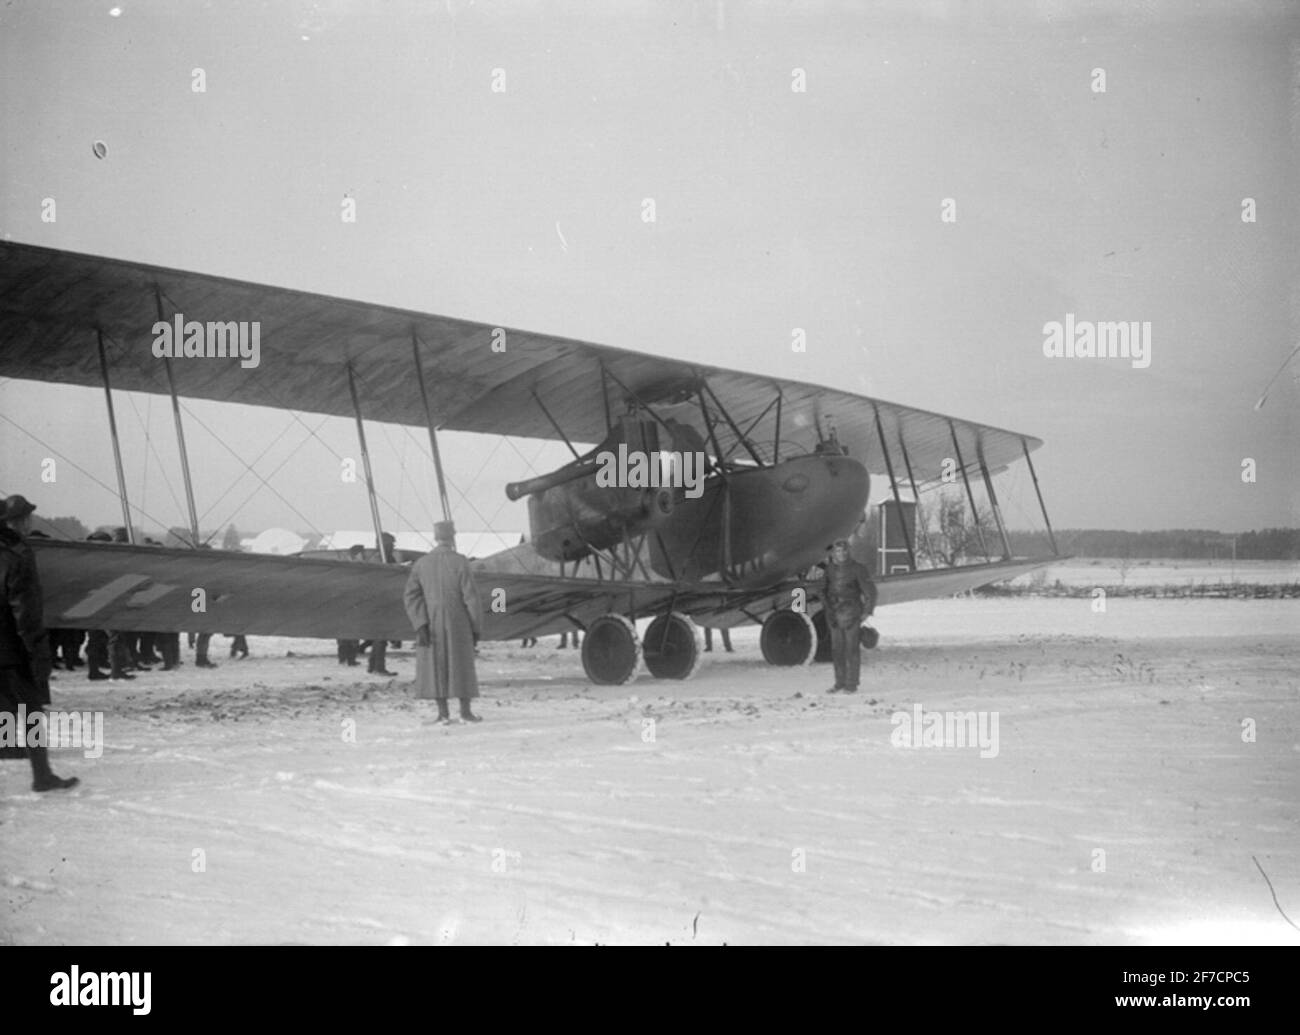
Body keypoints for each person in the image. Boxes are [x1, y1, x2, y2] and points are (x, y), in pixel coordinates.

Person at [0, 495, 78, 791]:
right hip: (12, 648)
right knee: (31, 710)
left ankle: (8, 748)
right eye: (25, 517)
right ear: (16, 522)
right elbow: (25, 610)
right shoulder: (17, 555)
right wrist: (38, 651)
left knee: (4, 705)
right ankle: (42, 775)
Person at [403, 521, 482, 724]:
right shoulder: (461, 561)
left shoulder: (421, 563)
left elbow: (411, 596)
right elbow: (471, 597)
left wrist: (420, 623)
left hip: (431, 620)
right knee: (462, 665)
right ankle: (465, 712)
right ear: (453, 537)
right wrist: (476, 627)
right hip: (458, 621)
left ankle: (442, 713)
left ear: (435, 537)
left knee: (434, 666)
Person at [820, 538, 876, 694]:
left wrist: (866, 611)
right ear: (834, 553)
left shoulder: (858, 569)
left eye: (844, 550)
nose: (841, 553)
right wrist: (827, 607)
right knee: (837, 649)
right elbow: (822, 589)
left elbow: (870, 591)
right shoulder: (829, 570)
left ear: (848, 551)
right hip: (834, 613)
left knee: (851, 649)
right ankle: (839, 683)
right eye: (838, 551)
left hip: (852, 612)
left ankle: (851, 684)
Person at [368, 532, 397, 677]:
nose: (392, 547)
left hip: (380, 600)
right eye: (390, 544)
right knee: (381, 636)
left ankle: (373, 665)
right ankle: (378, 666)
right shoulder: (381, 559)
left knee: (378, 636)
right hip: (381, 601)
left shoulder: (381, 558)